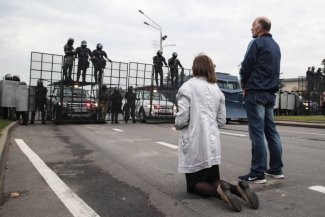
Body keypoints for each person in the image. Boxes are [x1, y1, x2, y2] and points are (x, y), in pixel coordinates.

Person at [175, 54, 259, 212]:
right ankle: (237, 189)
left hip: (195, 142)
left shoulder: (187, 87)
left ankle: (221, 194)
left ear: (195, 68)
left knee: (193, 184)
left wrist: (178, 124)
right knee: (213, 178)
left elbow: (182, 118)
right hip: (213, 141)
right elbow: (221, 120)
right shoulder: (216, 89)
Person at [239, 16, 284, 184]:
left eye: (252, 26)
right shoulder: (276, 46)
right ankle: (276, 169)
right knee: (271, 132)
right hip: (270, 94)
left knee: (257, 133)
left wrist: (244, 84)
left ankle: (257, 172)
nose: (251, 29)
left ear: (259, 28)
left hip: (255, 92)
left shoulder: (256, 43)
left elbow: (246, 66)